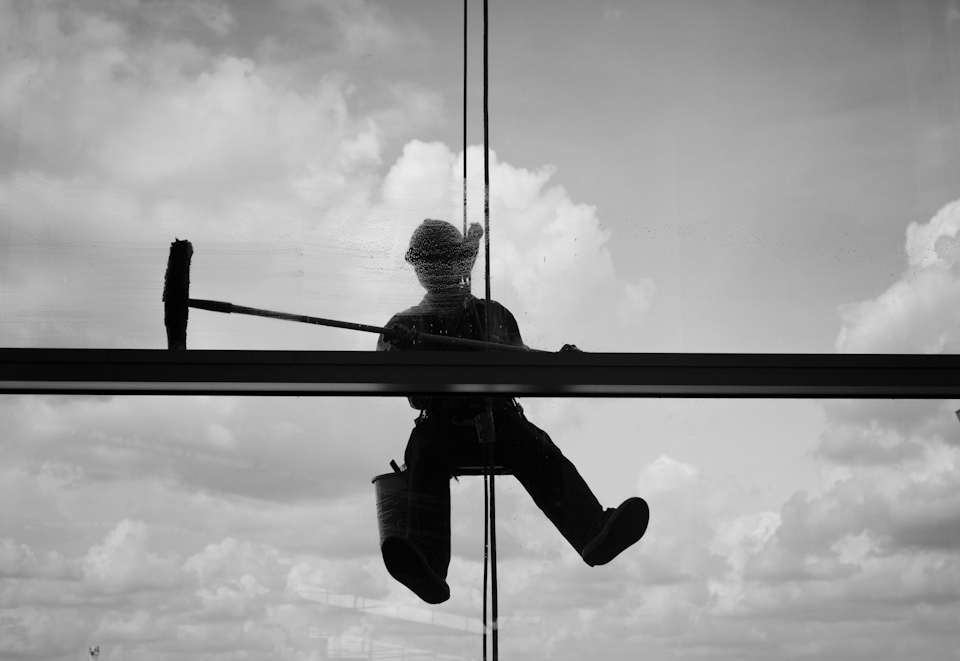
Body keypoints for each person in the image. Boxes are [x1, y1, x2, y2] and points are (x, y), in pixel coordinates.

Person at [377, 218, 649, 604]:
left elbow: (521, 366)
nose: (435, 270)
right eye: (429, 263)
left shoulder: (481, 316)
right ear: (420, 270)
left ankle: (591, 531)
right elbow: (412, 393)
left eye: (441, 262)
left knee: (530, 447)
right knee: (434, 451)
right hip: (460, 426)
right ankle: (429, 566)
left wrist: (556, 363)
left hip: (491, 422)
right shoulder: (407, 326)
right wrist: (397, 350)